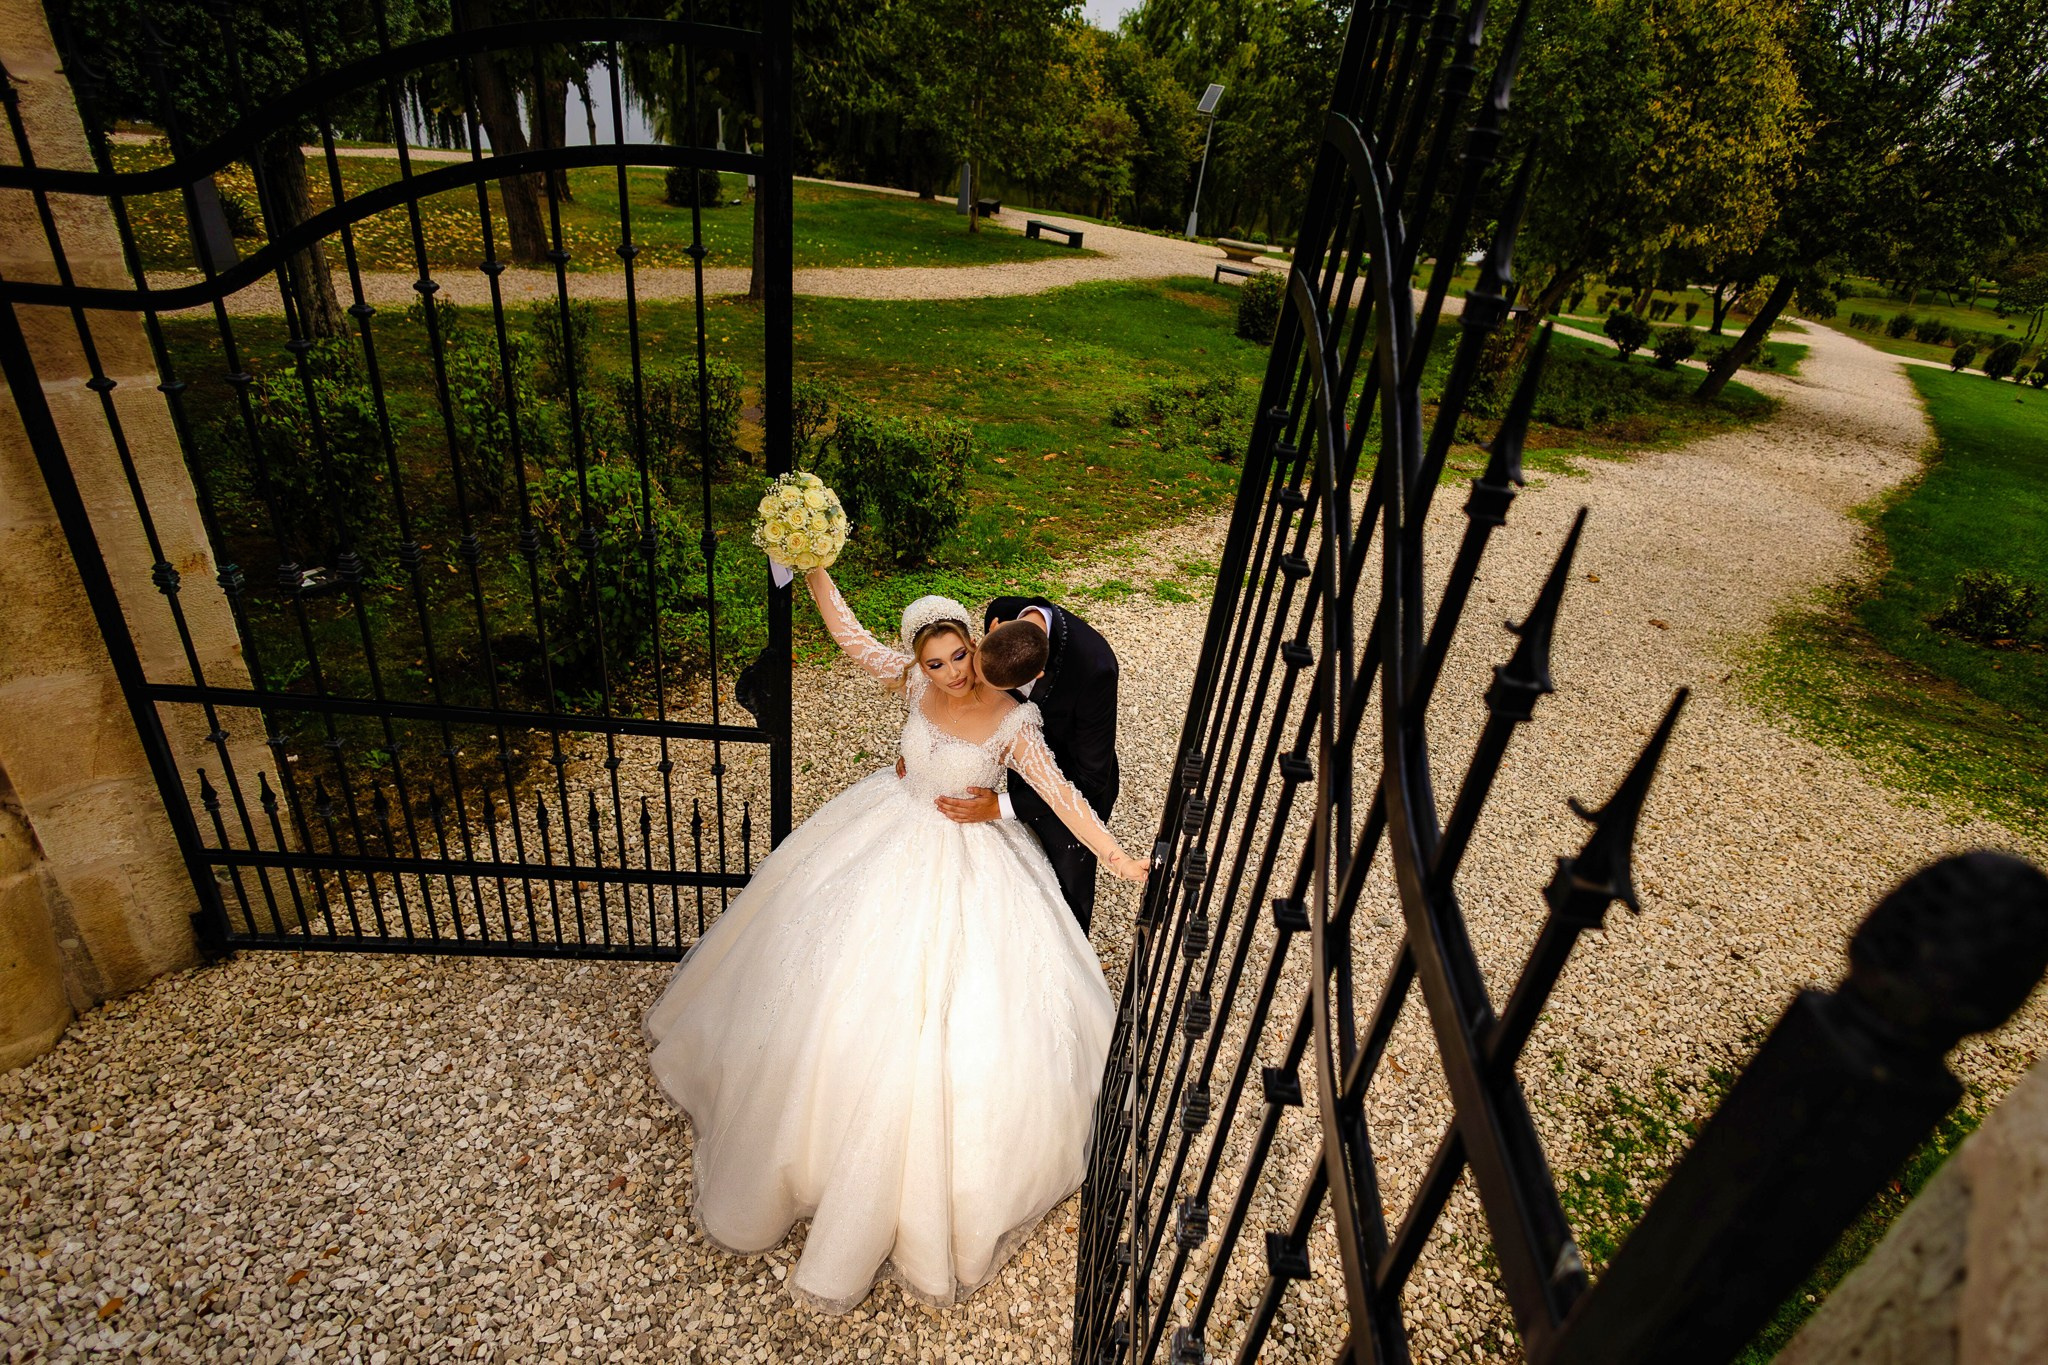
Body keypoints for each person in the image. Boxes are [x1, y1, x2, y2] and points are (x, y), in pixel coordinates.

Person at [643, 562, 1150, 1314]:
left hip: (972, 858)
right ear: (920, 662)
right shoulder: (912, 682)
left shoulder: (1015, 721)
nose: (951, 673)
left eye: (959, 656)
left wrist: (1119, 859)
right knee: (826, 974)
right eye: (935, 662)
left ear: (977, 644)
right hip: (889, 825)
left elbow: (1065, 797)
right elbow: (851, 639)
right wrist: (814, 566)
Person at [924, 595, 1120, 935]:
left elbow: (1091, 777)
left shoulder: (1094, 669)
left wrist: (1001, 806)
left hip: (1072, 780)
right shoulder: (1002, 610)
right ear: (993, 629)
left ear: (1038, 674)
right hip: (1018, 768)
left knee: (1064, 894)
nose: (973, 682)